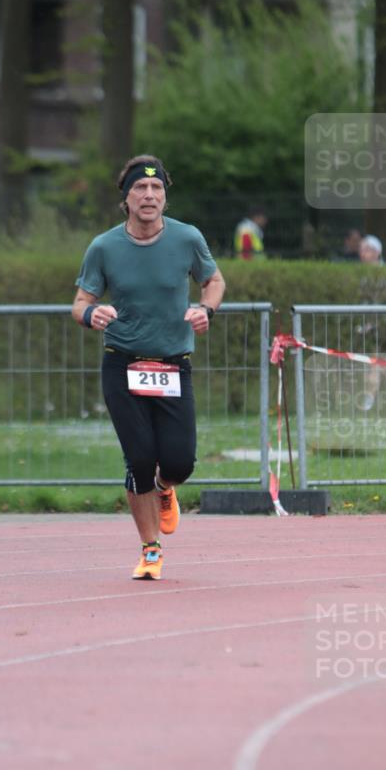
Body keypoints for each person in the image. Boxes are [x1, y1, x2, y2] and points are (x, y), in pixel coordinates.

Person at [72, 155, 226, 580]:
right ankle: (150, 549)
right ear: (126, 199)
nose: (149, 195)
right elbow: (81, 303)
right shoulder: (104, 247)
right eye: (140, 189)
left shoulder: (187, 239)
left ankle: (164, 488)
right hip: (122, 364)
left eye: (157, 189)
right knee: (139, 458)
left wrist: (206, 310)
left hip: (173, 364)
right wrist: (92, 315)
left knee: (179, 463)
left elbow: (214, 281)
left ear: (165, 198)